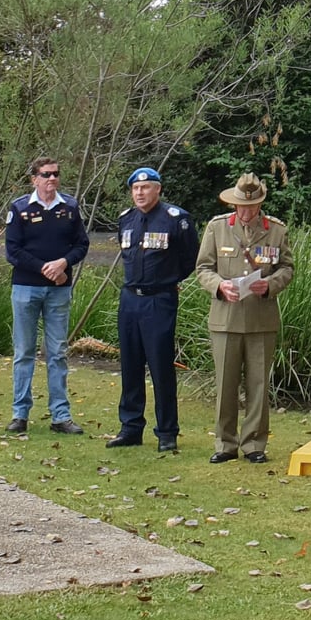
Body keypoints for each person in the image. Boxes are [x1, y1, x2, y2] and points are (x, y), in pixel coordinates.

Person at [195, 174, 294, 465]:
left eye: (251, 207)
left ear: (259, 204)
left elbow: (287, 268)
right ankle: (225, 443)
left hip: (261, 319)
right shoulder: (217, 228)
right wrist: (219, 285)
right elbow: (203, 268)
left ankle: (254, 444)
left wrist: (270, 284)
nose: (246, 212)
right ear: (233, 203)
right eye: (241, 206)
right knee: (226, 384)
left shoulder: (276, 230)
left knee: (258, 385)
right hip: (225, 318)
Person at [108, 166, 199, 453]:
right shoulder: (126, 219)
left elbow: (190, 259)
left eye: (145, 187)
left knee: (160, 366)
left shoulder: (176, 219)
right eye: (135, 188)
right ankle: (130, 427)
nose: (140, 193)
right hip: (130, 299)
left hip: (159, 300)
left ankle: (167, 432)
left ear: (157, 189)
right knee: (130, 365)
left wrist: (168, 280)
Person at [3, 156, 90, 436]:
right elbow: (13, 252)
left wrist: (64, 263)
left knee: (58, 353)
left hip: (59, 290)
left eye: (55, 174)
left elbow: (82, 245)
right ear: (34, 179)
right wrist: (45, 269)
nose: (52, 178)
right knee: (24, 352)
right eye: (46, 174)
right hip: (26, 287)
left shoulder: (70, 207)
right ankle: (20, 414)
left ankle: (61, 416)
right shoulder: (20, 208)